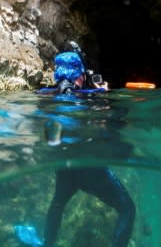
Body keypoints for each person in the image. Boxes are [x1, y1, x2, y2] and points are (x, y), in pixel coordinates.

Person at [39, 50, 135, 247]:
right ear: (80, 75)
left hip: (64, 167)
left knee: (57, 206)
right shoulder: (90, 97)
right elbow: (114, 121)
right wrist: (104, 96)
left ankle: (47, 243)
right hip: (91, 168)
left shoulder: (45, 95)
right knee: (127, 209)